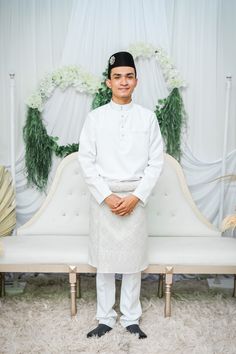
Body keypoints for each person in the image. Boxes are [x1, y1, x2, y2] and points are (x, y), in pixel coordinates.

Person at [78, 51, 164, 339]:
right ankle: (104, 317)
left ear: (136, 81)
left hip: (135, 197)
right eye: (117, 77)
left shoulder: (148, 118)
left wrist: (136, 197)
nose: (123, 82)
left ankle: (130, 318)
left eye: (128, 76)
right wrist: (106, 196)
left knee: (132, 263)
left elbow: (156, 162)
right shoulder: (95, 118)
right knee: (105, 262)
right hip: (105, 198)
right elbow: (86, 160)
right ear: (108, 82)